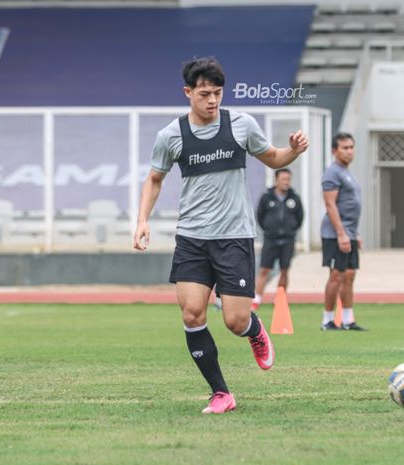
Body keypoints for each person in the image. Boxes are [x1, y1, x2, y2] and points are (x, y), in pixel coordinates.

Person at [133, 58, 309, 414]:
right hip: (192, 238)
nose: (212, 100)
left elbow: (273, 158)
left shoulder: (241, 125)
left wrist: (293, 150)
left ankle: (255, 331)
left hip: (234, 237)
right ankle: (221, 393)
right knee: (192, 313)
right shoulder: (171, 136)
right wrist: (142, 221)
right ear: (188, 93)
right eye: (204, 94)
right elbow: (154, 179)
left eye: (217, 93)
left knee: (234, 321)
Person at [320, 132, 365, 331]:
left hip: (349, 232)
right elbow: (330, 205)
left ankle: (347, 320)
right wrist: (341, 233)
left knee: (349, 275)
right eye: (344, 148)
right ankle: (328, 320)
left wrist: (354, 234)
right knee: (336, 275)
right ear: (334, 151)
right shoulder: (333, 172)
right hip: (335, 234)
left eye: (351, 147)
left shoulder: (347, 171)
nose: (349, 151)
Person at [251, 168, 304, 310]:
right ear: (276, 180)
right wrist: (269, 229)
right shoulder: (267, 197)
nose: (286, 182)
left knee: (285, 270)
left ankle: (280, 299)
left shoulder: (294, 198)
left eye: (288, 179)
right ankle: (256, 299)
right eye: (283, 179)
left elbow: (300, 218)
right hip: (270, 239)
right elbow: (260, 216)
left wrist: (290, 230)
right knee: (264, 270)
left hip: (288, 240)